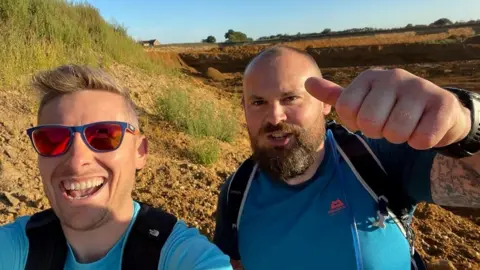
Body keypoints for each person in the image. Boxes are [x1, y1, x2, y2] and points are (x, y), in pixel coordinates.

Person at [213, 45, 480, 270]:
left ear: (324, 104)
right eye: (258, 102)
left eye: (290, 98)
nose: (274, 117)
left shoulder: (376, 160)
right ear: (244, 109)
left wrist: (465, 126)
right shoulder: (236, 194)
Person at [0, 65, 233, 270]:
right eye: (52, 139)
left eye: (104, 136)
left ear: (140, 151)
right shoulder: (15, 248)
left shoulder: (182, 256)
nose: (76, 160)